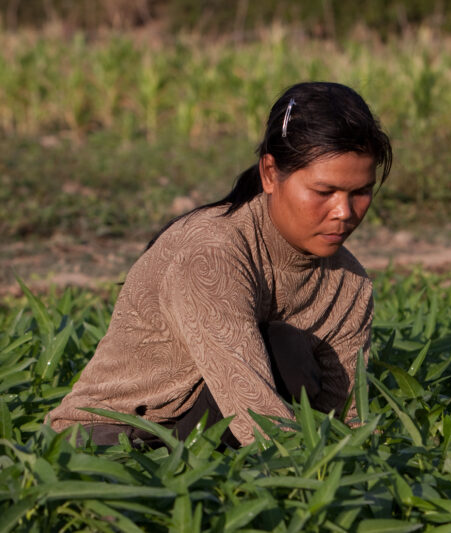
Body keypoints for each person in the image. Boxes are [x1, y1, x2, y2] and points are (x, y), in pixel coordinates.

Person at [46, 82, 392, 448]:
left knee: (287, 349)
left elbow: (346, 417)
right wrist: (304, 472)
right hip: (113, 432)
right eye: (324, 192)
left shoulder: (349, 285)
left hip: (204, 429)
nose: (344, 213)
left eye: (360, 192)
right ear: (270, 173)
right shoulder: (212, 253)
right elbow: (251, 406)